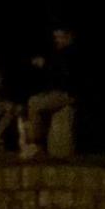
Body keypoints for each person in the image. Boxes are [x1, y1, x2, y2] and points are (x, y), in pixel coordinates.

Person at [18, 23, 83, 158]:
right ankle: (40, 143)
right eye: (55, 37)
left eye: (60, 37)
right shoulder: (60, 53)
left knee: (34, 102)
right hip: (59, 93)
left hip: (68, 94)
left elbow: (65, 75)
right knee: (57, 150)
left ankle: (34, 144)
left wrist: (45, 65)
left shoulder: (73, 52)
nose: (57, 40)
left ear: (69, 37)